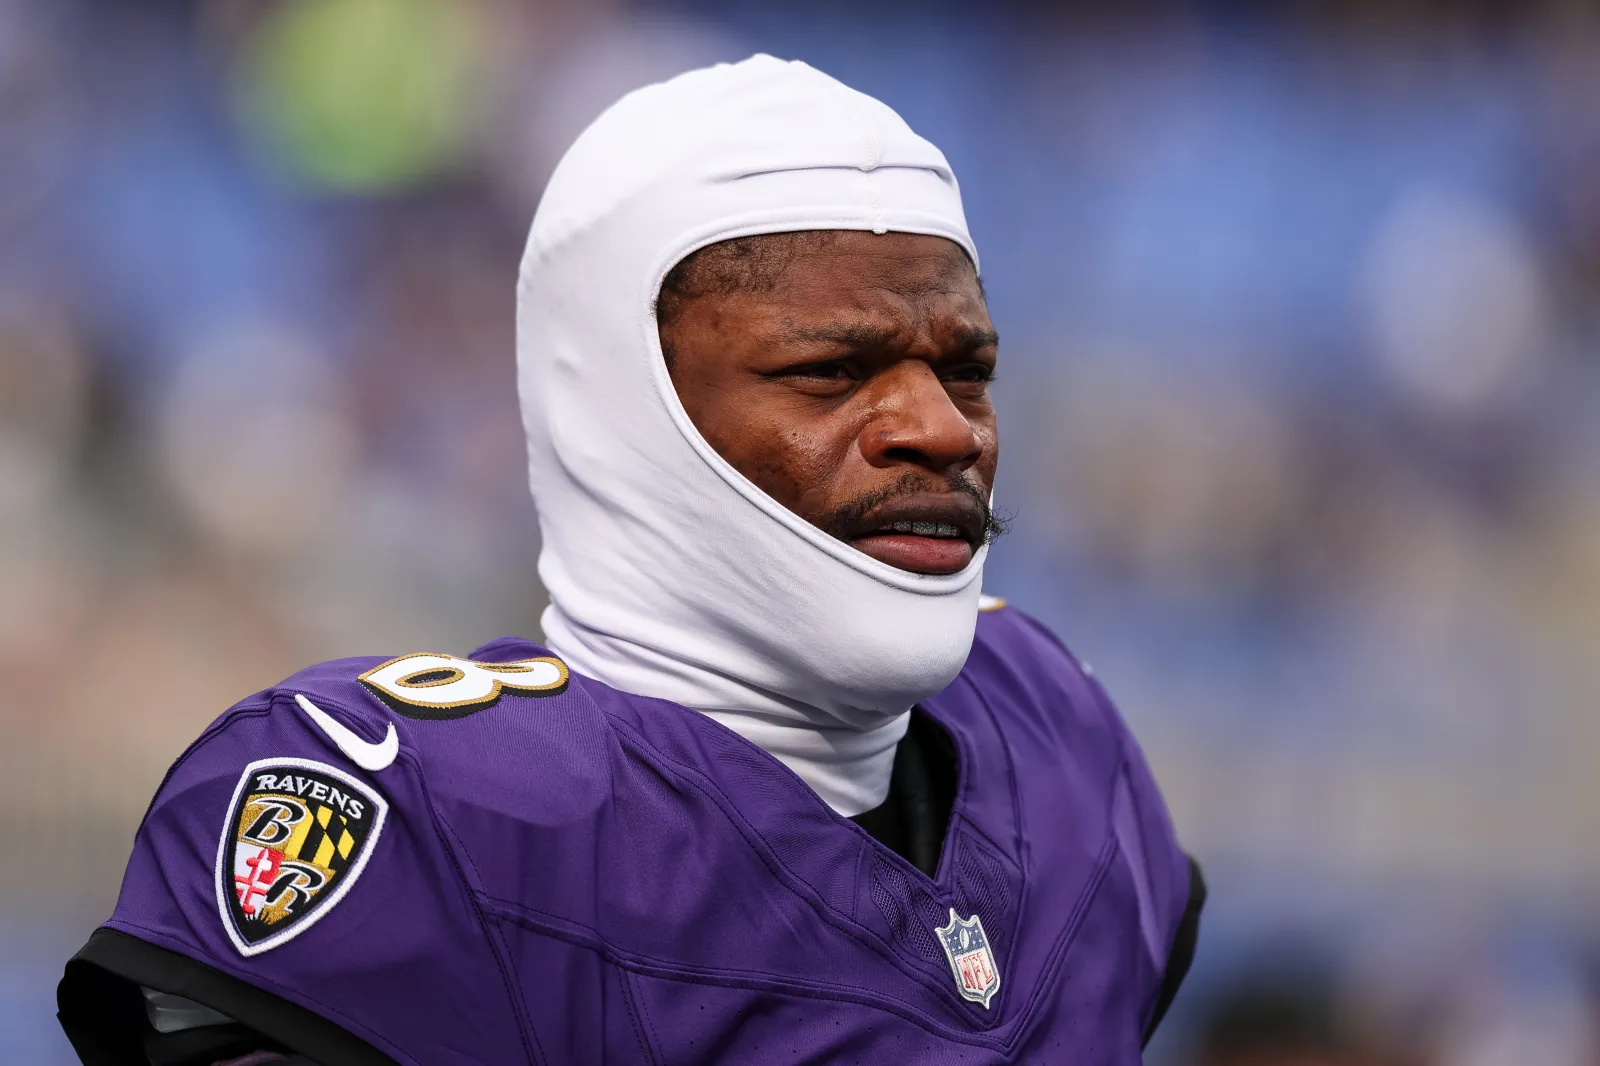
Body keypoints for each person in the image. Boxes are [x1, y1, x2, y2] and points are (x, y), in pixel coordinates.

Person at [57, 55, 1203, 1065]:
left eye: (965, 370)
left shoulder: (1050, 726)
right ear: (617, 410)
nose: (947, 430)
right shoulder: (431, 812)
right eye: (828, 371)